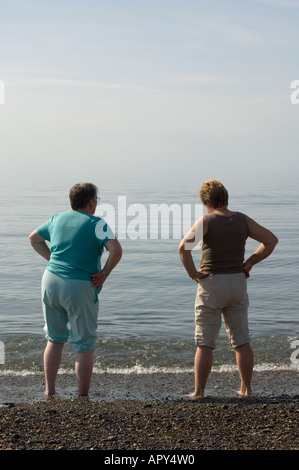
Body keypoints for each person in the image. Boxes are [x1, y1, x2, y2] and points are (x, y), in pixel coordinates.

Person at [179, 179, 278, 398]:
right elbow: (271, 241)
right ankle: (246, 389)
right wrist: (250, 262)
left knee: (205, 342)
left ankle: (199, 391)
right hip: (237, 281)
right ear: (225, 197)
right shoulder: (242, 219)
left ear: (206, 201)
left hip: (212, 283)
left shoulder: (206, 221)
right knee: (241, 340)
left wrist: (193, 274)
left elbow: (183, 249)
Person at [29, 182, 122, 397]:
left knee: (54, 338)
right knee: (84, 343)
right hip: (79, 285)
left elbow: (33, 239)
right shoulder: (98, 223)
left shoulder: (56, 218)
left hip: (50, 280)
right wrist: (104, 273)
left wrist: (52, 259)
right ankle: (82, 396)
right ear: (91, 202)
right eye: (96, 200)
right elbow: (116, 250)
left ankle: (49, 390)